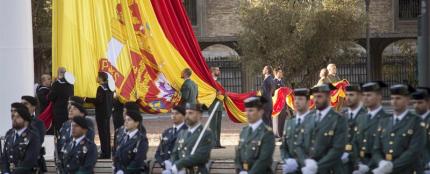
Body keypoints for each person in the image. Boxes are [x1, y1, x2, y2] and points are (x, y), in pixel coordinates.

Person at [372, 84, 425, 174]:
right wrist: (381, 162)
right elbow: (376, 148)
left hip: (408, 170)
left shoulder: (416, 121)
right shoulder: (384, 122)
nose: (394, 102)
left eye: (398, 98)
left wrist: (392, 166)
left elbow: (414, 151)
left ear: (407, 100)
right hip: (385, 169)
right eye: (392, 98)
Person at [299, 84, 347, 174]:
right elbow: (299, 144)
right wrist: (305, 162)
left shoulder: (338, 119)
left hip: (329, 168)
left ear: (329, 97)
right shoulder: (308, 117)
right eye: (315, 97)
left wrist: (317, 166)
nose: (316, 100)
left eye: (320, 97)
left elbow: (337, 149)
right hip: (308, 167)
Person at [163, 103, 213, 174]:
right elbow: (175, 153)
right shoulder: (182, 133)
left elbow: (201, 156)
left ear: (199, 115)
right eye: (186, 113)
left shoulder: (206, 134)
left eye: (190, 113)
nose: (187, 116)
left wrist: (178, 165)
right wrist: (175, 166)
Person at [351, 81, 389, 174]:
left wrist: (369, 167)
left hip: (378, 167)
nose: (365, 98)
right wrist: (358, 163)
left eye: (369, 95)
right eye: (363, 95)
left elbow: (385, 147)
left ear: (379, 97)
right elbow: (354, 142)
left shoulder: (386, 118)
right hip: (359, 166)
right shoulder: (361, 118)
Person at [281, 88, 314, 174]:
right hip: (292, 169)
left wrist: (313, 163)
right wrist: (287, 160)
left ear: (308, 102)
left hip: (310, 168)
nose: (296, 102)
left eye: (300, 99)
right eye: (295, 99)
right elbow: (284, 147)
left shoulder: (315, 121)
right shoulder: (289, 122)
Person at [56, 102, 95, 173]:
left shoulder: (87, 124)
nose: (70, 110)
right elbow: (60, 146)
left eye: (74, 109)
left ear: (82, 114)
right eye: (70, 108)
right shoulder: (65, 125)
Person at [1, 106, 41, 173]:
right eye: (14, 116)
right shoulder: (9, 135)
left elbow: (28, 162)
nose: (14, 119)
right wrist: (6, 172)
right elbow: (4, 158)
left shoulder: (33, 137)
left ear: (25, 120)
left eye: (18, 117)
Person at [85, 72, 114, 159]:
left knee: (102, 134)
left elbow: (98, 100)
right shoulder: (109, 87)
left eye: (97, 77)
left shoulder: (100, 88)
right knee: (107, 133)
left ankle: (104, 153)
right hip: (108, 113)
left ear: (101, 78)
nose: (96, 78)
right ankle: (108, 152)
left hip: (101, 114)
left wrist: (86, 99)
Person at [340, 85, 367, 173]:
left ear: (359, 96)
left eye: (351, 95)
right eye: (346, 95)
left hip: (359, 162)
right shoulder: (343, 115)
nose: (348, 98)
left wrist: (349, 155)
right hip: (342, 163)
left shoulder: (366, 116)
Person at [155, 105, 188, 170]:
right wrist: (162, 163)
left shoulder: (188, 131)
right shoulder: (167, 132)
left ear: (184, 116)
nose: (173, 116)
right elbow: (158, 152)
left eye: (177, 113)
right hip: (165, 167)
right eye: (172, 113)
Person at [21, 96, 48, 174]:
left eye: (25, 104)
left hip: (33, 165)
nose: (22, 106)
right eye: (21, 104)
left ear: (33, 107)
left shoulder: (38, 123)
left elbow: (38, 142)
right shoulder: (18, 123)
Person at [48, 67, 74, 133]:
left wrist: (52, 85)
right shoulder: (71, 84)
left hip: (58, 111)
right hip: (68, 109)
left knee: (59, 130)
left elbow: (51, 97)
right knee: (67, 130)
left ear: (58, 73)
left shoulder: (56, 84)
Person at [412, 87, 430, 173]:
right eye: (414, 102)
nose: (416, 105)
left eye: (420, 102)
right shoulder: (411, 119)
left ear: (428, 103)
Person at [208, 66, 224, 148]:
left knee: (218, 126)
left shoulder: (219, 81)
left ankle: (218, 143)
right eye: (217, 70)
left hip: (219, 106)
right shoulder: (210, 82)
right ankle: (212, 143)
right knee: (213, 125)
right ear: (213, 71)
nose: (219, 71)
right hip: (213, 106)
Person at [273, 68, 287, 137]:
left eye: (281, 72)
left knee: (282, 119)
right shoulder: (273, 81)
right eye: (280, 72)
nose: (281, 73)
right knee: (277, 120)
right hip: (277, 104)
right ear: (276, 73)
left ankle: (280, 134)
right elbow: (272, 93)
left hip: (283, 104)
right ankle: (277, 134)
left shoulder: (282, 81)